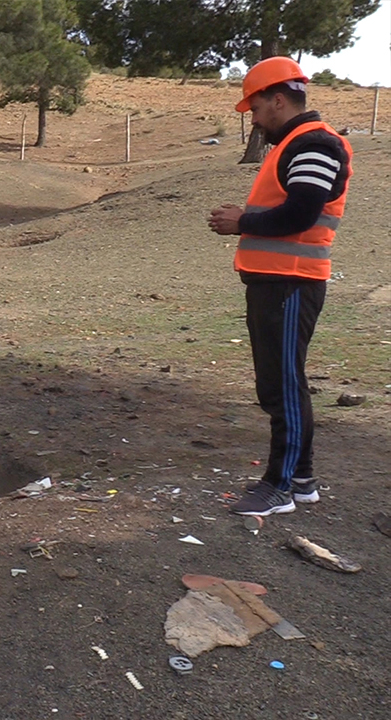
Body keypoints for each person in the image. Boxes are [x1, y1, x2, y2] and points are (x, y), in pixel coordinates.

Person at [207, 57, 352, 516]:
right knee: (280, 383)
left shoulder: (314, 143)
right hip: (277, 282)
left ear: (277, 99)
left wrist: (242, 222)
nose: (253, 119)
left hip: (290, 284)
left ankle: (280, 485)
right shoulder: (294, 143)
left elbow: (301, 214)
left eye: (255, 108)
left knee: (283, 386)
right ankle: (301, 478)